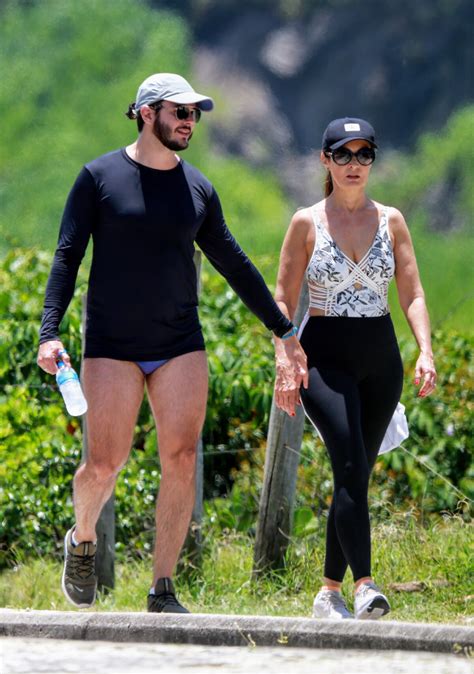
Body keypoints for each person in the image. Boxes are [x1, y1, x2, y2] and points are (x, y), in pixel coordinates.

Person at [37, 73, 307, 613]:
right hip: (111, 345)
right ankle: (83, 538)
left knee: (180, 458)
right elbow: (68, 255)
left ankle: (162, 589)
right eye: (178, 111)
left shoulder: (199, 189)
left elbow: (233, 262)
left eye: (194, 114)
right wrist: (50, 332)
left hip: (180, 343)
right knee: (103, 466)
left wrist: (286, 332)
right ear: (145, 113)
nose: (189, 121)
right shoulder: (98, 178)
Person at [273, 117, 437, 620]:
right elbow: (282, 296)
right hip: (323, 354)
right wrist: (285, 357)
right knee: (347, 461)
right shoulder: (306, 221)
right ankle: (365, 585)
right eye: (343, 154)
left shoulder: (391, 220)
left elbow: (411, 291)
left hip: (379, 356)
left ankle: (328, 593)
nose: (354, 165)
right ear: (325, 160)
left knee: (356, 474)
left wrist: (425, 350)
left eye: (364, 154)